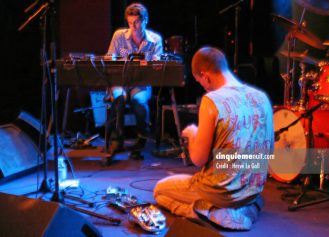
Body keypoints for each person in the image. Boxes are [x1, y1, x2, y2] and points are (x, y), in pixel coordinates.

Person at [154, 47, 274, 230]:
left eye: (201, 82)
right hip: (252, 190)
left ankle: (210, 213)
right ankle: (247, 208)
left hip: (221, 191)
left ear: (205, 75)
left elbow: (198, 159)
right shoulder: (261, 97)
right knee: (252, 195)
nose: (204, 86)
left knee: (160, 190)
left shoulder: (212, 100)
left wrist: (193, 134)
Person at [106, 3, 163, 157]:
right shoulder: (119, 36)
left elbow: (157, 65)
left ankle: (142, 138)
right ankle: (117, 140)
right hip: (121, 81)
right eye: (130, 23)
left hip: (142, 82)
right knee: (119, 98)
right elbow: (109, 57)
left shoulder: (155, 40)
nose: (133, 26)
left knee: (138, 101)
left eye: (137, 22)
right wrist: (111, 59)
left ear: (145, 20)